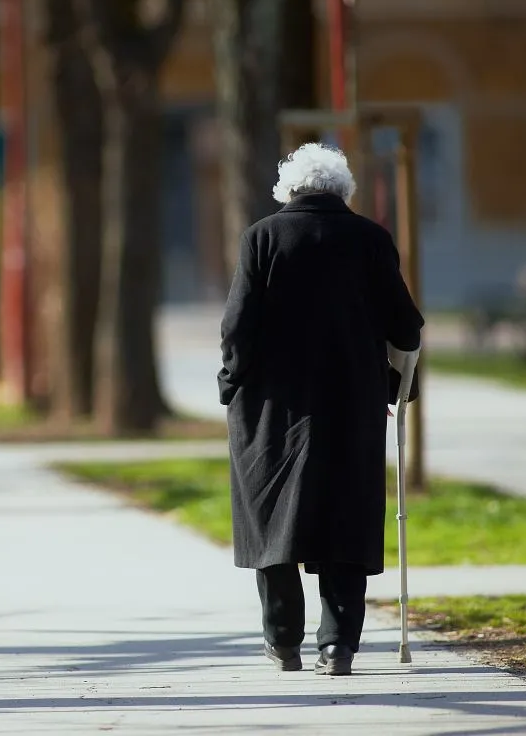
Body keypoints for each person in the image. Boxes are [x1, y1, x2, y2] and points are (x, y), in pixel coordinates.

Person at [218, 143, 424, 676]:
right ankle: (338, 646)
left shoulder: (261, 237)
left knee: (272, 521)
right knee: (344, 520)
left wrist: (229, 382)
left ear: (288, 190)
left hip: (271, 408)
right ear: (343, 191)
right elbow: (406, 326)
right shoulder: (371, 240)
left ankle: (283, 641)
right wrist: (400, 386)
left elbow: (237, 327)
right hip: (349, 404)